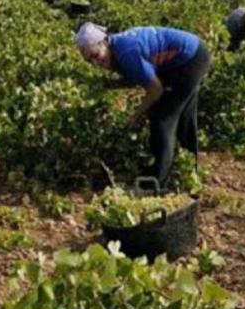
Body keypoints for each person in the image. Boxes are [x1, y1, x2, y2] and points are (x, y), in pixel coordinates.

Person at [76, 23, 211, 189]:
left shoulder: (127, 53)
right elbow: (137, 75)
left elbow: (156, 89)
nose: (95, 62)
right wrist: (110, 84)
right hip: (190, 53)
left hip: (190, 60)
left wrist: (136, 115)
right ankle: (188, 170)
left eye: (96, 55)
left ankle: (158, 183)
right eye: (89, 60)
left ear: (104, 42)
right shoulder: (117, 47)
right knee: (182, 115)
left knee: (162, 119)